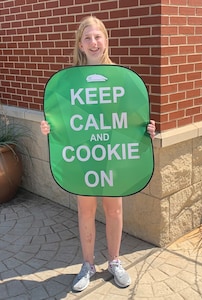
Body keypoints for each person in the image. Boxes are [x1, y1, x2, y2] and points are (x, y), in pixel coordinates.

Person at [40, 16, 156, 292]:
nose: (94, 43)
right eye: (88, 38)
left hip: (112, 152)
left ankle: (114, 261)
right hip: (84, 154)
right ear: (80, 45)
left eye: (98, 37)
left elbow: (131, 117)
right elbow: (64, 118)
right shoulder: (69, 82)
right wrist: (49, 127)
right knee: (86, 209)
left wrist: (146, 128)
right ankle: (88, 264)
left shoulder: (122, 78)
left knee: (114, 208)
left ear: (106, 40)